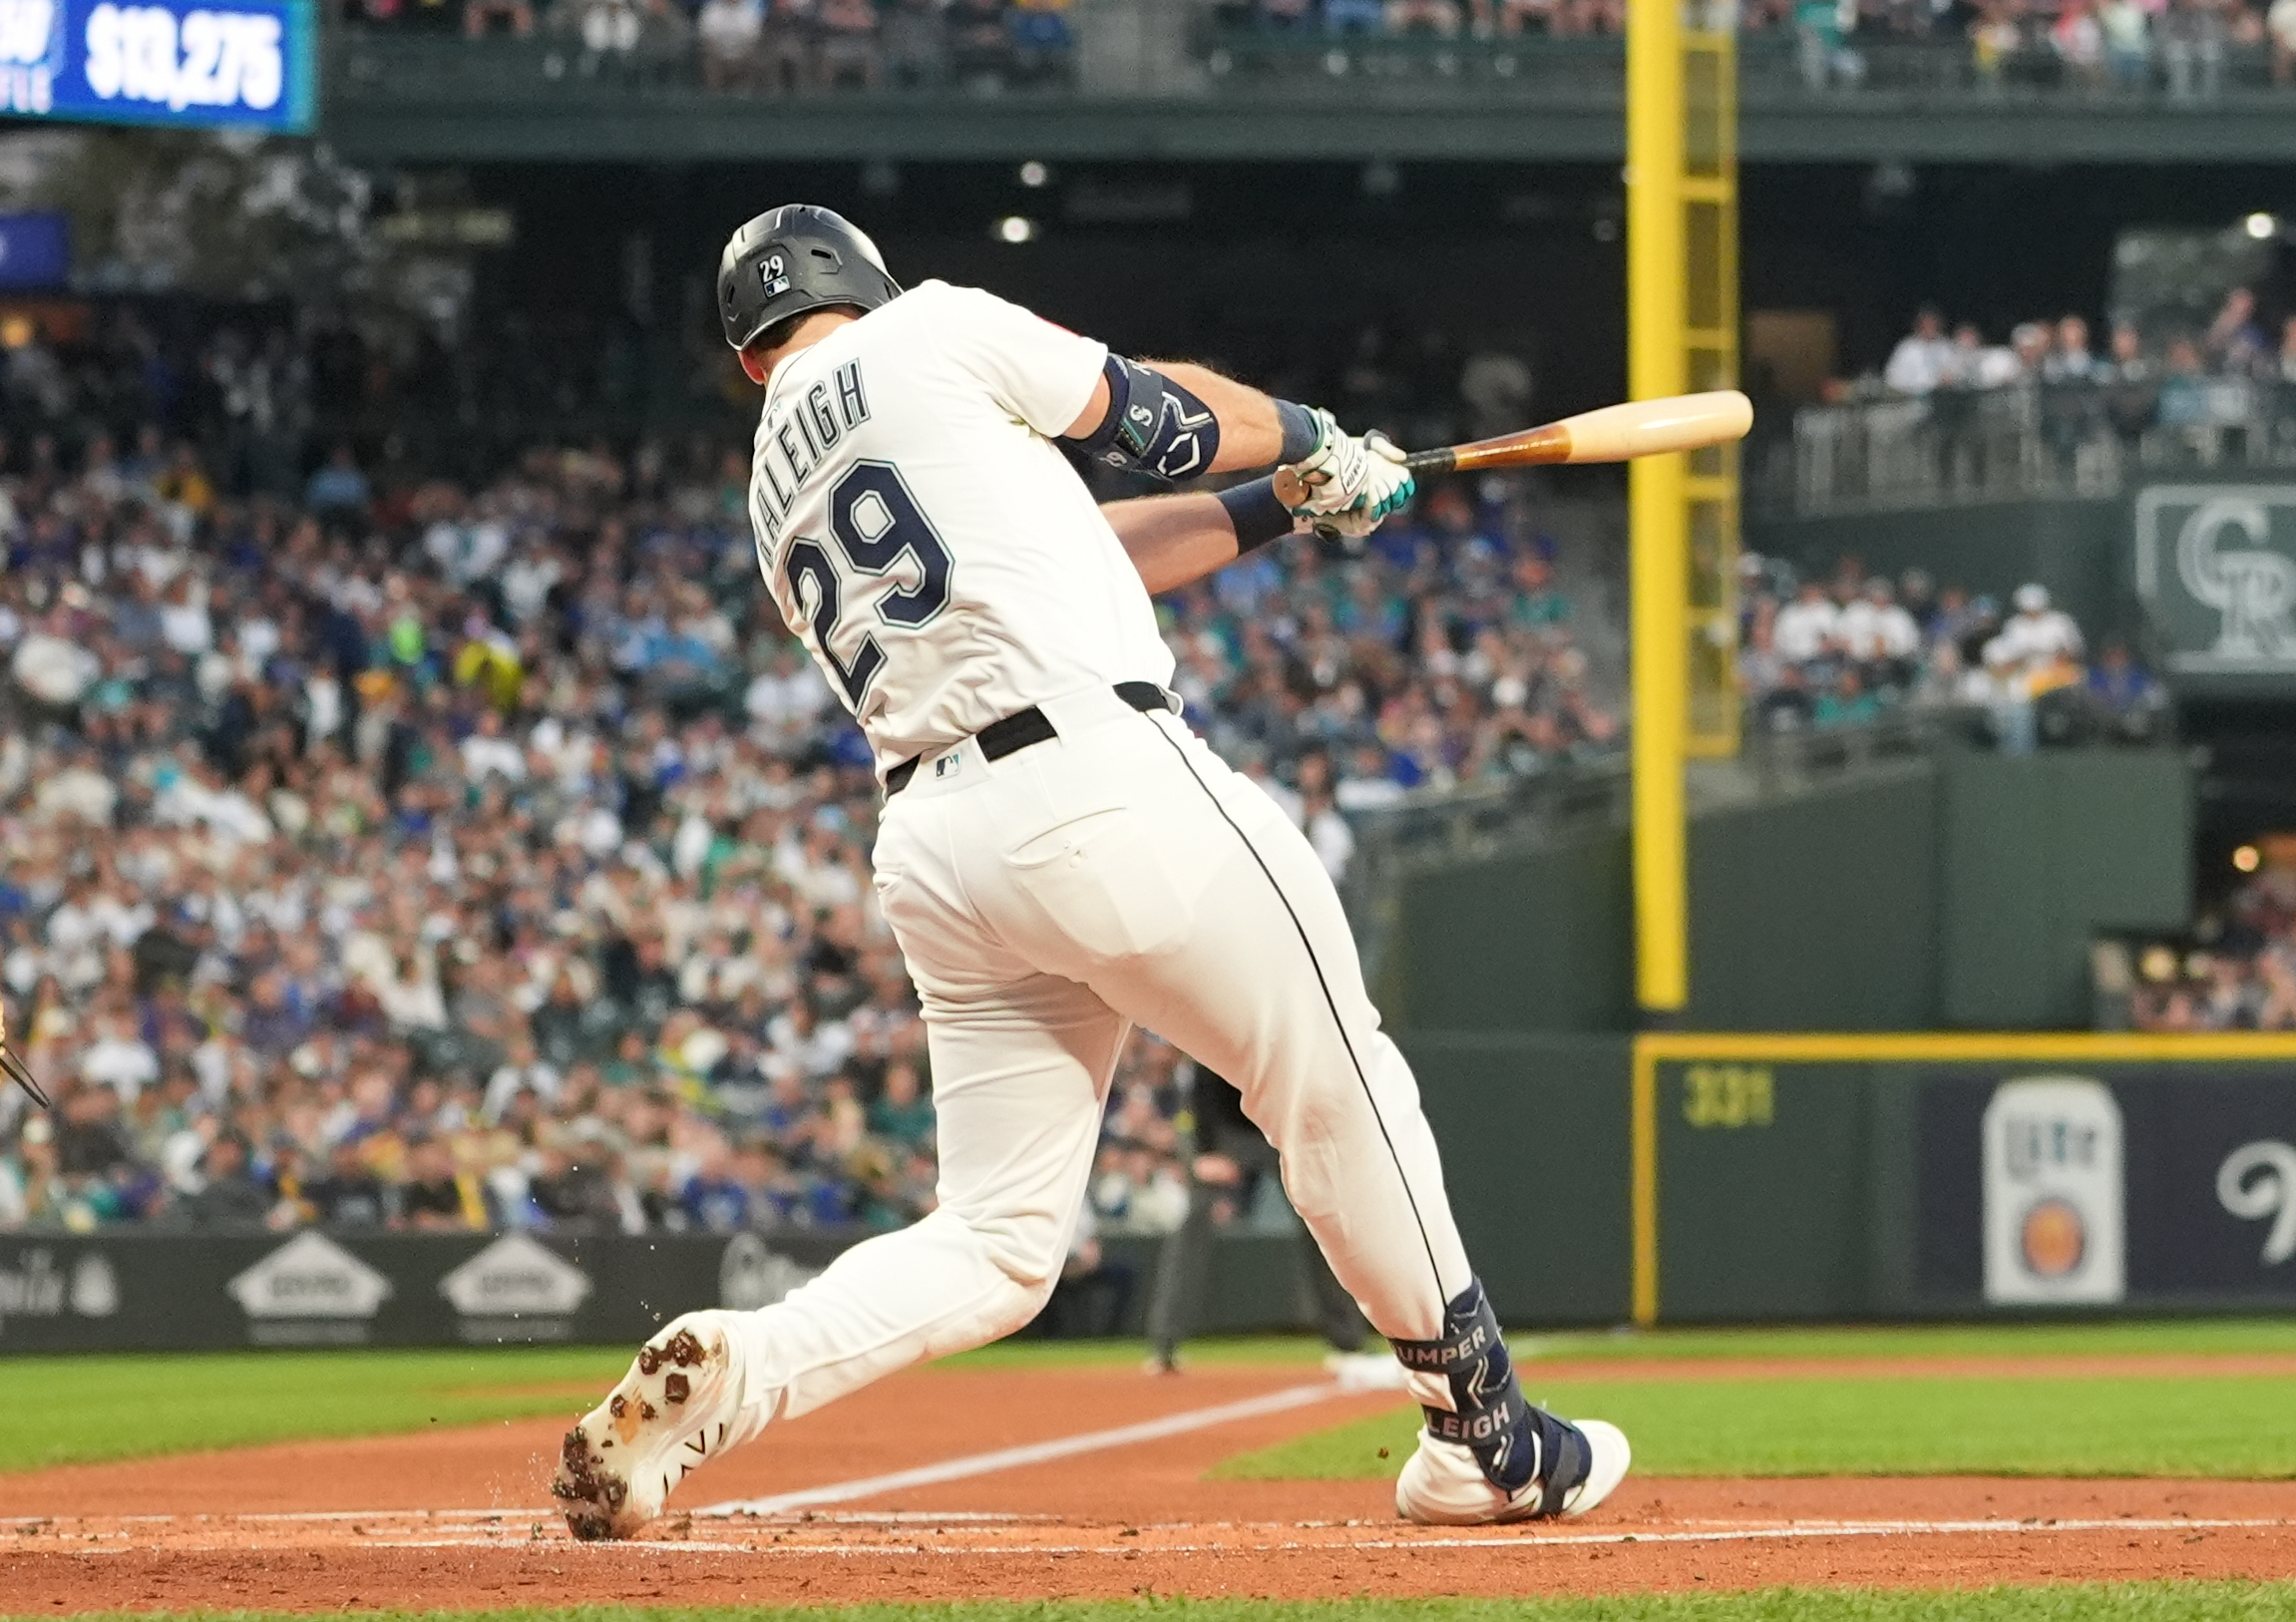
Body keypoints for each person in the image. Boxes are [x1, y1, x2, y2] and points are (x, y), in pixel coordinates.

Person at [551, 204, 1625, 1538]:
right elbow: (1159, 421)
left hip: (942, 850)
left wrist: (1281, 501)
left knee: (998, 1241)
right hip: (1098, 779)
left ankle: (744, 1368)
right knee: (1341, 1074)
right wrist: (1311, 434)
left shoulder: (779, 478)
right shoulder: (928, 324)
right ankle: (1486, 1434)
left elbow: (1083, 550)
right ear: (864, 279)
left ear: (754, 354)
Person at [1144, 1054, 1387, 1383]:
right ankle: (1164, 1345)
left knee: (1322, 1221)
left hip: (1284, 1131)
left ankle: (1347, 1343)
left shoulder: (1290, 1038)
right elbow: (1200, 1087)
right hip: (1227, 1132)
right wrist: (1203, 1153)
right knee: (1196, 1217)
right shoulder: (1219, 1028)